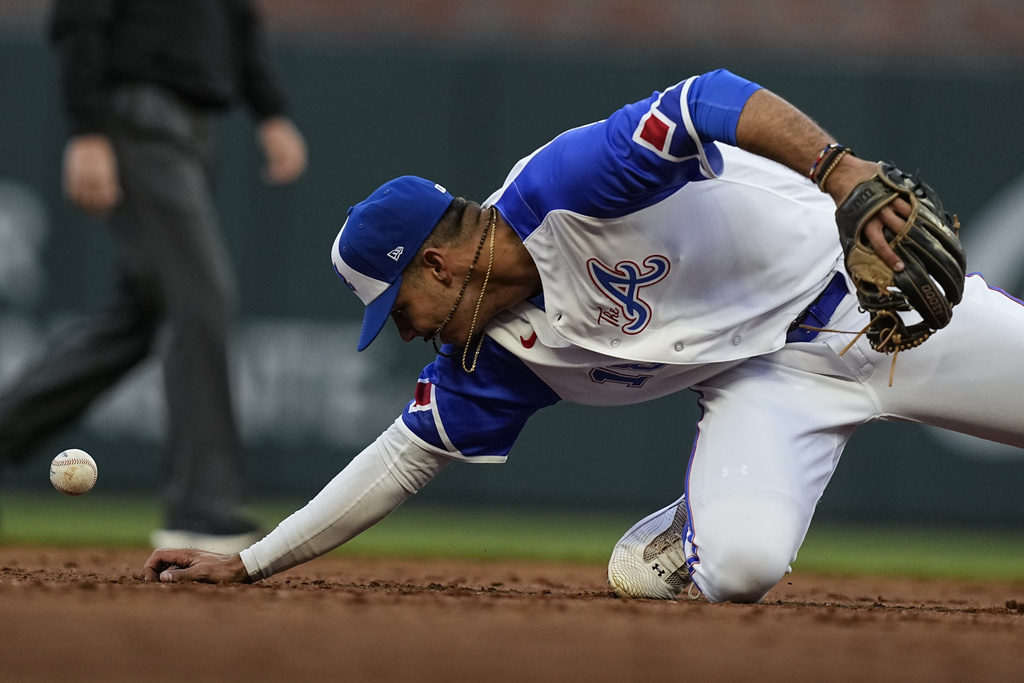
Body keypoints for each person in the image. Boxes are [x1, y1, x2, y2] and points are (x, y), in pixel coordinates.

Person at [145, 69, 1022, 603]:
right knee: (744, 567)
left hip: (876, 310)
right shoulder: (490, 353)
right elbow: (402, 456)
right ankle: (694, 528)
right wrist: (254, 562)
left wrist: (839, 171)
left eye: (400, 309)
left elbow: (705, 97)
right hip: (768, 384)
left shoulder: (567, 185)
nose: (407, 333)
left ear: (438, 267)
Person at [0, 0, 307, 553]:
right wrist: (88, 129)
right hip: (134, 113)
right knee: (200, 301)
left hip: (193, 125)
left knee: (140, 316)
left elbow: (236, 17)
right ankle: (201, 511)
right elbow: (80, 15)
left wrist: (271, 110)